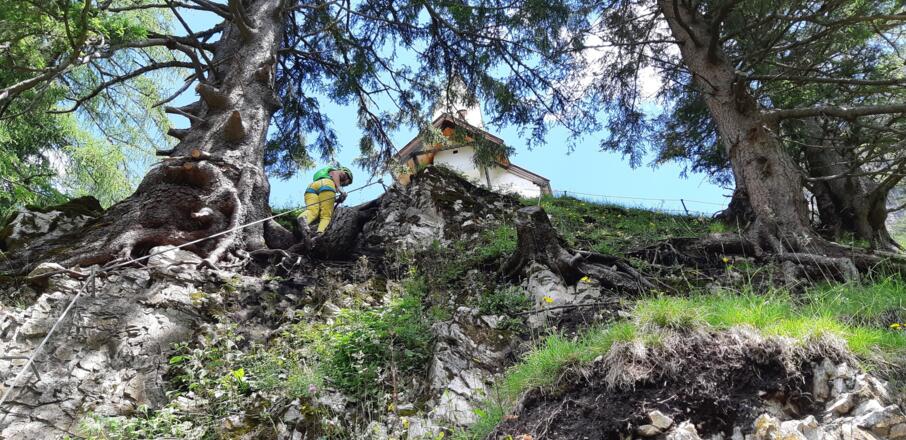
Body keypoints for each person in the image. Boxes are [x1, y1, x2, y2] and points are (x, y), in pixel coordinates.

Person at [296, 165, 354, 234]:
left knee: (312, 211)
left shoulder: (328, 176)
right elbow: (335, 174)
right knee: (326, 216)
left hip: (312, 186)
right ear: (348, 176)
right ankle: (320, 233)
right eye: (348, 182)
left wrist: (338, 200)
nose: (346, 185)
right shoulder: (342, 173)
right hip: (327, 184)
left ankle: (300, 223)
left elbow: (325, 199)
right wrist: (340, 189)